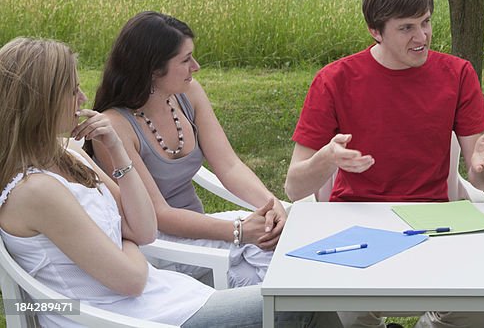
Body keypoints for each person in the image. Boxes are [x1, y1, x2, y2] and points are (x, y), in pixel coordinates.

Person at [0, 37, 335, 328]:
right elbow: (130, 279)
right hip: (124, 317)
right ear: (40, 103)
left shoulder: (68, 152)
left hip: (162, 300)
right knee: (300, 302)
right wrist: (122, 237)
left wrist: (117, 151)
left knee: (306, 293)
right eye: (72, 91)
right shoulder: (36, 190)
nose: (84, 98)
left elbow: (144, 230)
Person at [284, 0, 484, 328]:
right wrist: (326, 158)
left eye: (426, 22)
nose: (422, 37)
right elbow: (293, 187)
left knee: (478, 306)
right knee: (347, 315)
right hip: (358, 222)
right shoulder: (334, 79)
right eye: (406, 28)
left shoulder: (458, 74)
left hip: (434, 222)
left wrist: (483, 166)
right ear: (375, 30)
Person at [90, 11, 285, 287]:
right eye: (185, 60)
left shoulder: (187, 94)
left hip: (202, 232)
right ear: (153, 70)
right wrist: (239, 230)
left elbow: (229, 165)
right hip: (157, 245)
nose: (196, 66)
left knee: (278, 253)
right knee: (271, 271)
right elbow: (159, 215)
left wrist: (271, 204)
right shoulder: (113, 127)